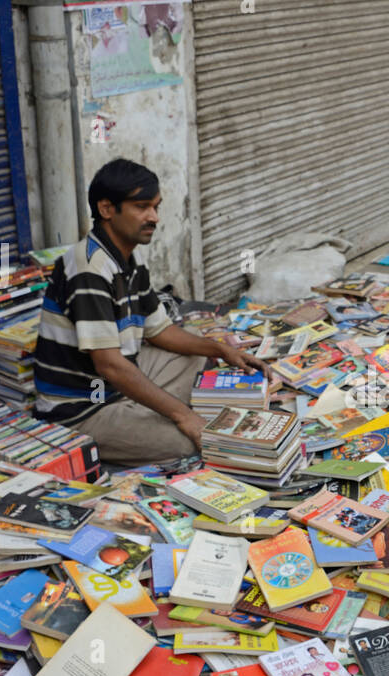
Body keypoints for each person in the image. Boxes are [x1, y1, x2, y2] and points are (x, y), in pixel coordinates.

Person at [33, 158, 260, 463]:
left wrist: (221, 349)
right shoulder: (88, 269)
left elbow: (161, 331)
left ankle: (141, 409)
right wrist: (182, 416)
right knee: (183, 443)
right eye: (142, 207)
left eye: (156, 207)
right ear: (106, 209)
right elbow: (109, 366)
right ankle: (138, 417)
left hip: (116, 384)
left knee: (197, 356)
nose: (153, 217)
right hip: (83, 408)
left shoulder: (127, 262)